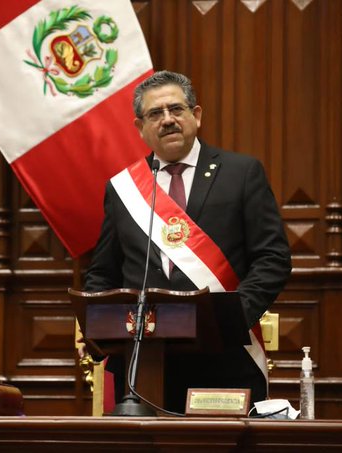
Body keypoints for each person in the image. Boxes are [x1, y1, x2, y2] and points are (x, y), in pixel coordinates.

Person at [84, 70, 292, 413]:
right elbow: (102, 273)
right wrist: (103, 326)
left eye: (176, 109)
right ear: (140, 127)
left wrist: (231, 319)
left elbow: (273, 259)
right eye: (155, 114)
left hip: (223, 358)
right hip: (143, 365)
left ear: (196, 115)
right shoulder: (123, 189)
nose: (167, 120)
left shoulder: (241, 174)